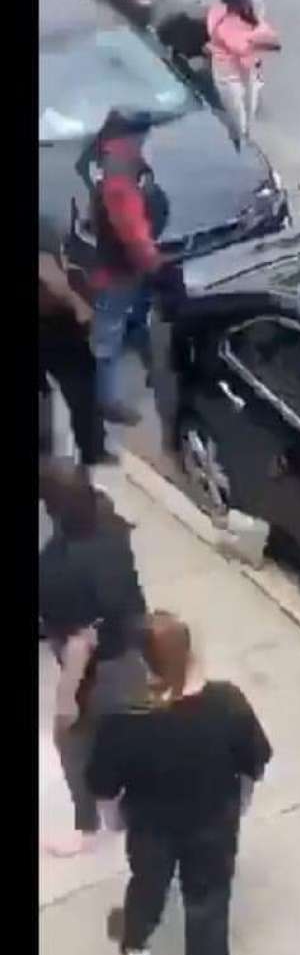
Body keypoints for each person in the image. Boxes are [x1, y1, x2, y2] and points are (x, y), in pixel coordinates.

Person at [88, 611, 273, 955]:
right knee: (207, 897)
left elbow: (103, 785)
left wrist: (115, 819)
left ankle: (135, 940)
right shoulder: (227, 704)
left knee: (147, 882)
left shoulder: (123, 721)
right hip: (211, 824)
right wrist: (239, 804)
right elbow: (254, 763)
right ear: (189, 653)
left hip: (151, 826)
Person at [39, 462, 148, 857]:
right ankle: (132, 807)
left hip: (95, 673)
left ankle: (86, 825)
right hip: (133, 651)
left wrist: (67, 696)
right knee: (136, 734)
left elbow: (78, 643)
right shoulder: (113, 525)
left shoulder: (54, 566)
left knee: (70, 740)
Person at [66, 108, 169, 428]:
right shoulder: (121, 179)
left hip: (117, 265)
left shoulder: (105, 158)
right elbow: (133, 232)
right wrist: (154, 263)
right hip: (119, 271)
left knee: (137, 321)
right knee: (109, 338)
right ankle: (106, 401)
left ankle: (156, 371)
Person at [38, 212, 108, 466]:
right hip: (61, 332)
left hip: (61, 332)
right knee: (83, 397)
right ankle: (91, 450)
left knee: (82, 397)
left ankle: (90, 449)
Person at [206, 0, 281, 136]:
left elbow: (265, 32)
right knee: (238, 122)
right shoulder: (221, 18)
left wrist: (262, 37)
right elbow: (241, 46)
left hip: (248, 72)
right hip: (230, 79)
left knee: (250, 113)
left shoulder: (247, 12)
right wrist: (259, 39)